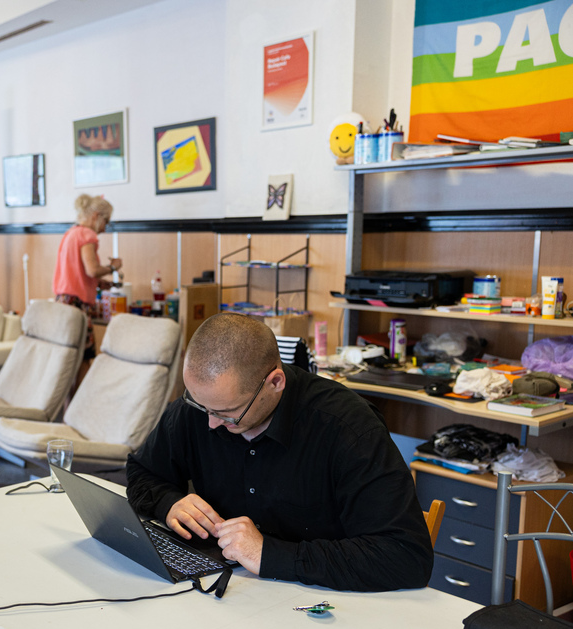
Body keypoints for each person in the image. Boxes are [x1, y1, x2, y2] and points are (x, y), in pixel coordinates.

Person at [126, 312, 433, 591]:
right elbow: (141, 473)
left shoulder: (348, 429)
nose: (211, 423)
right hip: (233, 596)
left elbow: (406, 557)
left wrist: (270, 554)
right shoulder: (202, 407)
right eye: (200, 405)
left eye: (228, 413)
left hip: (324, 606)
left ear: (275, 382)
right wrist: (169, 503)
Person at [52, 193, 122, 363]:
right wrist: (114, 267)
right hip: (77, 305)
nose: (105, 228)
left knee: (68, 355)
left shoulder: (71, 234)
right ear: (96, 216)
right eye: (106, 221)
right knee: (84, 356)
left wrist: (101, 283)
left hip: (62, 301)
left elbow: (77, 273)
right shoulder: (87, 235)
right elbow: (92, 270)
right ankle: (82, 389)